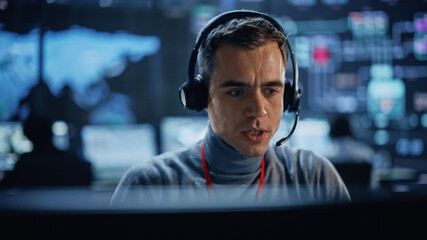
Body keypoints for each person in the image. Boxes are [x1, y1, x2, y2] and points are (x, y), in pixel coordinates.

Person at [111, 10, 350, 205]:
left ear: (289, 96)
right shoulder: (149, 186)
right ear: (200, 97)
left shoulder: (313, 178)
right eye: (237, 92)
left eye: (271, 90)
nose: (258, 110)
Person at [0, 113, 93, 187]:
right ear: (50, 132)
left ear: (29, 136)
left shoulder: (25, 164)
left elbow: (6, 187)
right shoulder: (72, 161)